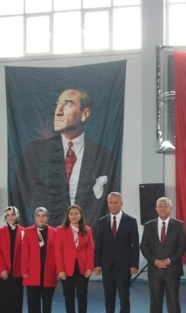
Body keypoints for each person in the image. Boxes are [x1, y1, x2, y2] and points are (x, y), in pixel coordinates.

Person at [11, 87, 117, 228]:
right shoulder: (37, 151)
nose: (58, 112)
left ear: (84, 114)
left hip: (86, 234)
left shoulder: (103, 155)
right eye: (57, 104)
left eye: (67, 104)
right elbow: (19, 199)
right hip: (48, 235)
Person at [140, 197, 186, 313]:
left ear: (170, 209)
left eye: (165, 206)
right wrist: (154, 261)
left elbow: (182, 246)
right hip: (155, 269)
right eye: (160, 205)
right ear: (156, 208)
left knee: (173, 300)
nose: (162, 208)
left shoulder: (179, 225)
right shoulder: (149, 225)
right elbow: (144, 246)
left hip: (172, 270)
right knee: (155, 300)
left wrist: (169, 260)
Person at [94, 192, 139, 313]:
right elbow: (99, 244)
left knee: (124, 298)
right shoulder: (102, 221)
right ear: (108, 204)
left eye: (116, 202)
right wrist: (97, 264)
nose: (113, 205)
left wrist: (134, 264)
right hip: (107, 266)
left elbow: (135, 245)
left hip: (124, 266)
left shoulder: (130, 221)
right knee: (109, 298)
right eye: (111, 202)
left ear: (121, 203)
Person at [56, 204, 95, 313]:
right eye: (71, 213)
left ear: (80, 215)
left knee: (82, 296)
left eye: (76, 213)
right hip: (66, 269)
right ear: (68, 216)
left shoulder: (87, 230)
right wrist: (60, 269)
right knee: (69, 297)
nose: (74, 216)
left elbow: (90, 249)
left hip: (83, 269)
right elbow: (58, 251)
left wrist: (90, 267)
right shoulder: (60, 230)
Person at [22, 207, 58, 313]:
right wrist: (24, 269)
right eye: (39, 215)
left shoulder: (54, 232)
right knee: (33, 301)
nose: (41, 218)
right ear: (35, 217)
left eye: (44, 216)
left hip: (49, 271)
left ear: (47, 217)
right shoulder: (28, 231)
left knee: (47, 300)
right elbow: (24, 252)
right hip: (32, 272)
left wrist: (57, 270)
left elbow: (57, 253)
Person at [0, 206, 25, 313]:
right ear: (5, 217)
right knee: (5, 297)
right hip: (5, 270)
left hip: (18, 270)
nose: (11, 217)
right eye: (8, 215)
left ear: (17, 216)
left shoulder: (24, 231)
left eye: (13, 214)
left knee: (17, 296)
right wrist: (2, 268)